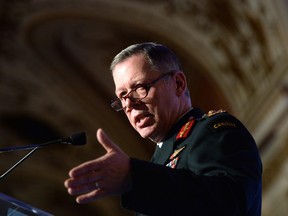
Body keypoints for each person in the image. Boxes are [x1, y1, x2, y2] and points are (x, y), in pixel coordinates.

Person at [64, 42, 262, 216]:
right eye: (122, 96)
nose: (129, 105)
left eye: (140, 87)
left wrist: (135, 177)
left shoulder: (214, 130)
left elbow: (228, 204)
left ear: (178, 83)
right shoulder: (156, 162)